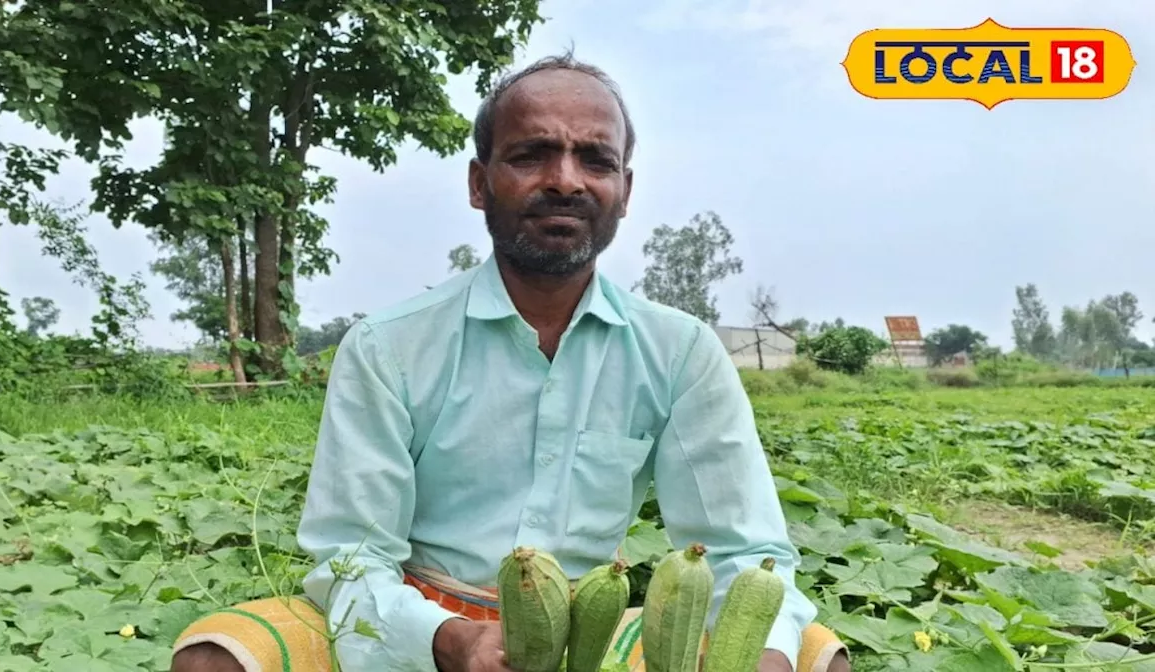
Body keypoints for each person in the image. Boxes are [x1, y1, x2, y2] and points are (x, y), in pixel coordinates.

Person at [171, 53, 851, 672]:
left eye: (595, 160)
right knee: (217, 661)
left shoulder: (680, 352)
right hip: (421, 623)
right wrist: (449, 640)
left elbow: (744, 551)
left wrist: (762, 656)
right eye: (531, 155)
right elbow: (351, 555)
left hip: (597, 631)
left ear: (624, 188)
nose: (565, 180)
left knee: (811, 656)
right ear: (479, 182)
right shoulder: (389, 346)